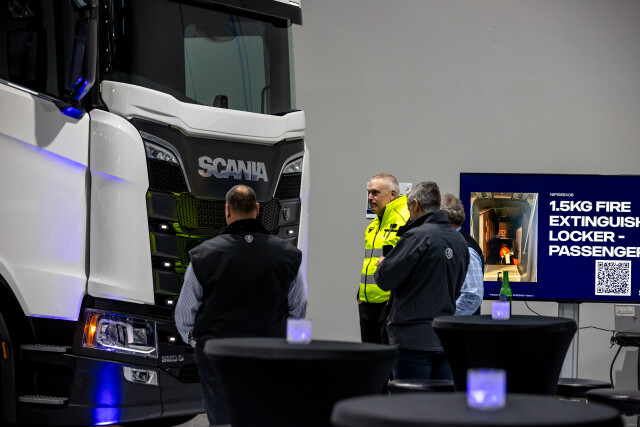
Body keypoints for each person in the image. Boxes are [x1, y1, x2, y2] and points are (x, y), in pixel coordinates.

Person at [175, 185, 307, 426]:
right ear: (257, 209)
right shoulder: (288, 255)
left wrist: (198, 342)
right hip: (270, 352)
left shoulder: (202, 255)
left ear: (227, 210)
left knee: (223, 418)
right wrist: (294, 348)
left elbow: (185, 315)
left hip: (217, 354)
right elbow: (299, 308)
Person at [374, 182, 469, 380]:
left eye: (409, 208)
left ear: (416, 205)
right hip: (444, 337)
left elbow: (385, 280)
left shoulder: (417, 236)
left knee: (411, 398)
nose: (409, 215)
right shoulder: (460, 241)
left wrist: (383, 265)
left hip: (412, 339)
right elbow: (456, 289)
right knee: (441, 398)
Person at [359, 173, 410, 344]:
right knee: (369, 355)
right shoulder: (373, 225)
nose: (370, 197)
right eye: (369, 192)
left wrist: (395, 298)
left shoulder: (405, 219)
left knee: (388, 356)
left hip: (389, 305)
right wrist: (360, 294)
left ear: (393, 194)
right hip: (367, 303)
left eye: (375, 192)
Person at [440, 193, 484, 315]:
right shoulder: (454, 243)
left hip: (460, 324)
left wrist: (447, 317)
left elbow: (472, 296)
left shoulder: (467, 249)